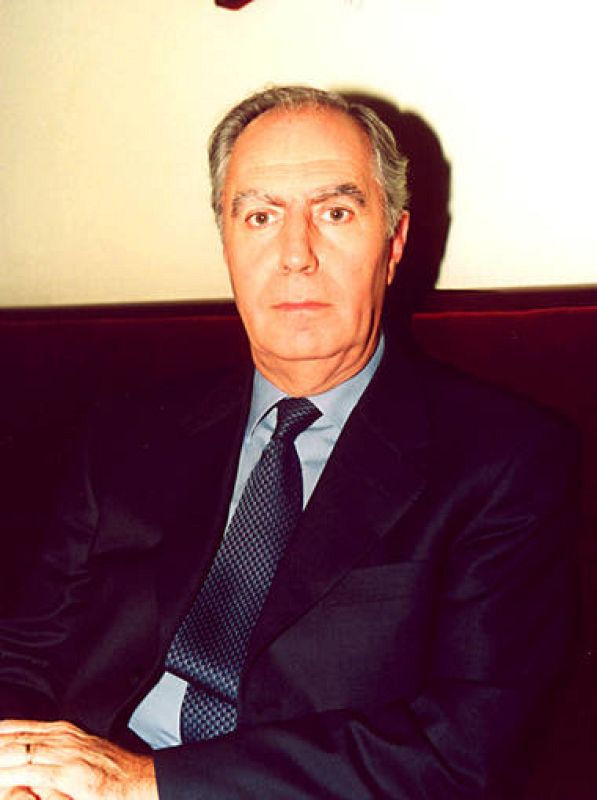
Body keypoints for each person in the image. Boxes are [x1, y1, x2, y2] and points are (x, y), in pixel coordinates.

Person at [0, 86, 578, 799]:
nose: (296, 254)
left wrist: (146, 783)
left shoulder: (504, 459)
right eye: (260, 216)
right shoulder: (127, 433)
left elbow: (464, 748)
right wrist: (23, 773)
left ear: (394, 242)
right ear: (226, 244)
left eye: (335, 213)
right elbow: (23, 654)